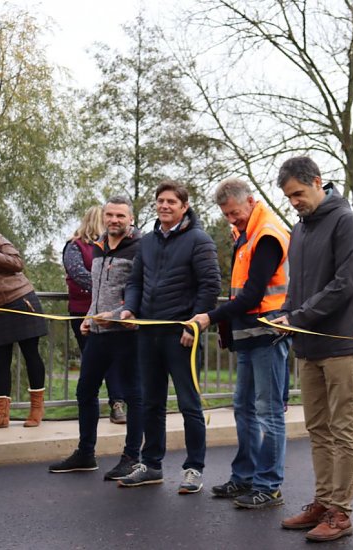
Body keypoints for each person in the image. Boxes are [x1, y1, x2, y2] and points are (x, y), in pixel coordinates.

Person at [272, 156, 353, 543]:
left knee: (343, 428)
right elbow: (300, 286)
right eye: (288, 196)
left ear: (317, 182)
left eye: (298, 193)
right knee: (317, 428)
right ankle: (323, 500)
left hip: (343, 342)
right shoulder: (300, 228)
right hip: (309, 343)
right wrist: (284, 314)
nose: (294, 201)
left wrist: (298, 317)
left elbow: (346, 283)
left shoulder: (347, 221)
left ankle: (340, 513)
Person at [189, 177, 292, 509]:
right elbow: (240, 293)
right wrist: (227, 326)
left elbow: (252, 294)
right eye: (226, 215)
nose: (231, 220)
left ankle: (268, 485)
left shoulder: (267, 234)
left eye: (234, 213)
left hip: (267, 334)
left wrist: (212, 317)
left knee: (268, 412)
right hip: (247, 335)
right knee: (244, 408)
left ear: (250, 201)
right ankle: (244, 477)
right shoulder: (244, 234)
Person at [116, 180, 221, 494]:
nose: (164, 206)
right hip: (148, 332)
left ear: (184, 207)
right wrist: (130, 309)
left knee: (189, 404)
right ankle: (151, 465)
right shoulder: (147, 241)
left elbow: (210, 286)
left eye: (171, 202)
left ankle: (193, 469)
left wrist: (194, 325)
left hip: (181, 335)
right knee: (151, 403)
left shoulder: (199, 240)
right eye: (160, 201)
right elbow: (135, 282)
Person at [49, 195, 144, 479]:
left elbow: (139, 292)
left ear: (131, 219)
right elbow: (98, 289)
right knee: (85, 391)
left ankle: (131, 457)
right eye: (110, 215)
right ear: (104, 217)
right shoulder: (99, 246)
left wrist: (116, 315)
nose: (114, 220)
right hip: (99, 332)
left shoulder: (139, 249)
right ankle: (85, 453)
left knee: (133, 396)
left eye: (120, 216)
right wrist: (90, 316)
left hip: (127, 333)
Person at [63, 204, 126, 424]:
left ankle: (117, 404)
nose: (112, 222)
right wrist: (104, 289)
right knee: (93, 365)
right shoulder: (74, 246)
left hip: (112, 315)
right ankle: (91, 408)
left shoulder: (113, 246)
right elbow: (78, 273)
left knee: (113, 362)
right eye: (107, 218)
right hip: (83, 313)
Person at [0, 233, 48, 428]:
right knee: (0, 361)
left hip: (20, 299)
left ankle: (37, 409)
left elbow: (17, 263)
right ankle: (1, 414)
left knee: (31, 354)